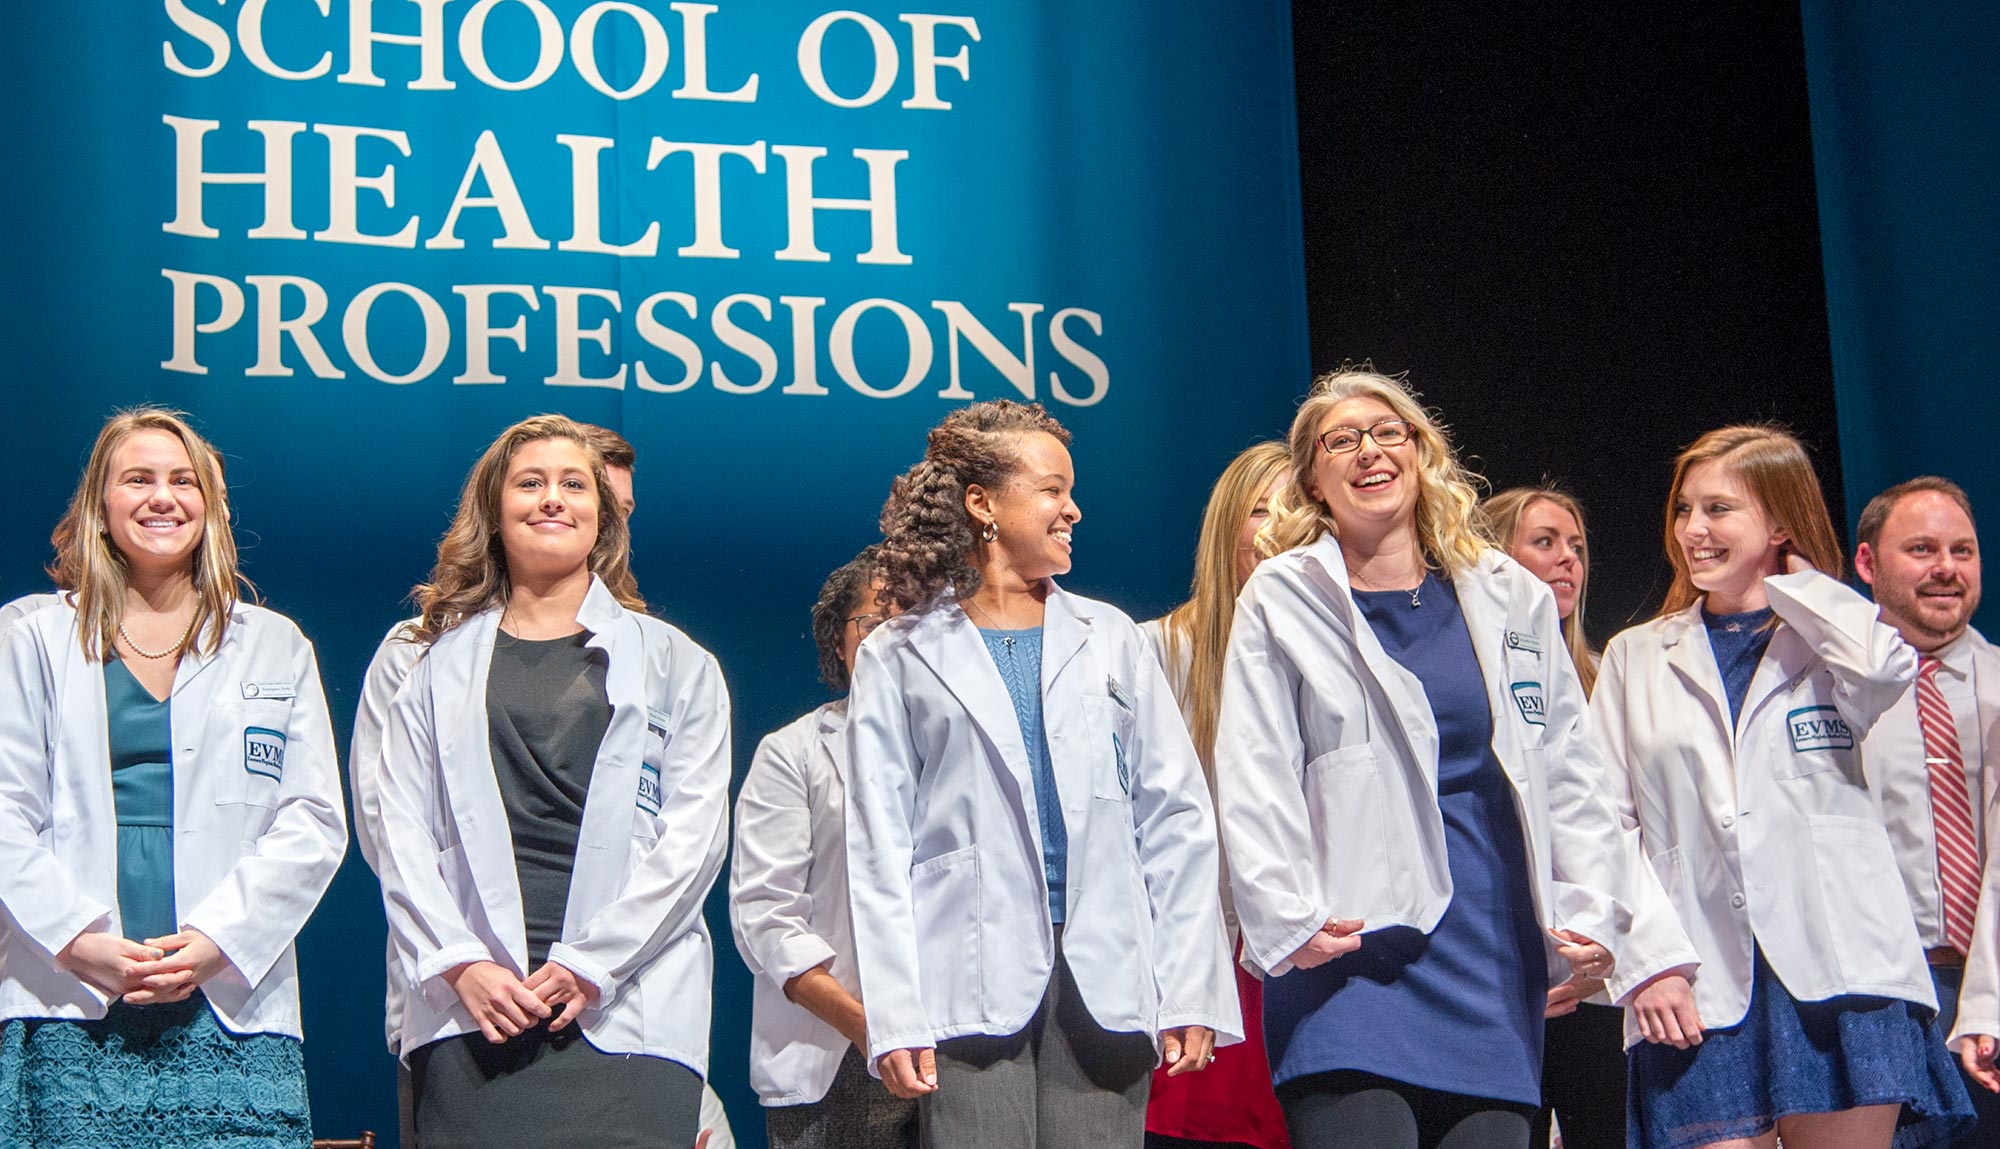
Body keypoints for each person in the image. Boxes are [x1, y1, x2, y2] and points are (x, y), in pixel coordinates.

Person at [1217, 368, 1697, 1149]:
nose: (1369, 450)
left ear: (1421, 449)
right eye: (1343, 440)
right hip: (1348, 954)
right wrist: (1283, 913)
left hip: (1490, 956)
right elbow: (1253, 763)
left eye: (1388, 432)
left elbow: (1568, 768)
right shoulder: (1283, 595)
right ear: (1313, 478)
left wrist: (1595, 908)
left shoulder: (1509, 594)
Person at [844, 399, 1240, 1148]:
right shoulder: (900, 651)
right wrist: (894, 1010)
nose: (1073, 509)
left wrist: (1191, 983)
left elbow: (1176, 821)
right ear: (983, 503)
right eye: (1053, 489)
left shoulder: (1112, 637)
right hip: (967, 971)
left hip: (1107, 975)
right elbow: (877, 844)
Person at [345, 424, 740, 1148]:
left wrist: (593, 963)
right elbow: (396, 829)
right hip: (478, 1008)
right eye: (530, 482)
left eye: (573, 483)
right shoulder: (429, 666)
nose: (552, 498)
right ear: (494, 510)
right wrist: (459, 961)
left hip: (630, 1009)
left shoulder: (679, 664)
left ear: (604, 513)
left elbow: (693, 842)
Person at [1593, 426, 1971, 1149]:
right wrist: (1648, 962)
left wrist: (1802, 585)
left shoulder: (1831, 642)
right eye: (1684, 509)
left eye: (1718, 509)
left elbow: (1887, 664)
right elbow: (1606, 825)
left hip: (1841, 979)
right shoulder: (1635, 655)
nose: (1693, 530)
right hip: (1696, 979)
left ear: (1779, 523)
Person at [0, 407, 348, 1147]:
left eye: (183, 480)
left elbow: (312, 819)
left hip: (228, 1007)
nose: (163, 497)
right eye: (138, 479)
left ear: (212, 507)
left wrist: (216, 939)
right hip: (68, 1005)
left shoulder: (273, 644)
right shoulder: (29, 633)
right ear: (100, 503)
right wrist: (76, 941)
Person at [732, 545, 918, 1149]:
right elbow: (765, 917)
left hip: (960, 1049)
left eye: (911, 621)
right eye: (874, 622)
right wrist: (871, 1028)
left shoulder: (963, 753)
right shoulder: (794, 753)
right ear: (839, 642)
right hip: (834, 1055)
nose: (893, 638)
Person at [1140, 441, 1293, 1149]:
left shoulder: (1337, 655)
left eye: (1297, 509)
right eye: (1261, 508)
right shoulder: (1157, 652)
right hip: (1202, 960)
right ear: (1226, 525)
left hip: (1303, 960)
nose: (1278, 526)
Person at [1854, 481, 2000, 1147]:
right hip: (1893, 996)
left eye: (1962, 550)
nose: (1947, 567)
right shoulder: (1833, 698)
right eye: (1921, 548)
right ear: (1867, 564)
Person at [1482, 485, 1622, 1148]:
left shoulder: (1608, 675)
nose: (1568, 559)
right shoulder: (1474, 682)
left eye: (1578, 547)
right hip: (1515, 971)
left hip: (1603, 974)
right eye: (1545, 542)